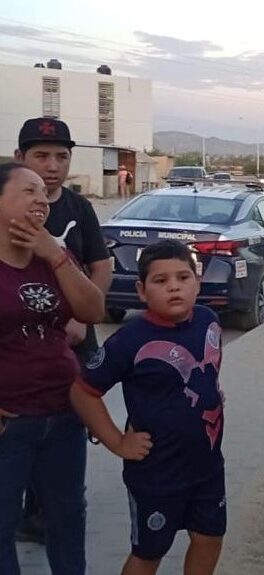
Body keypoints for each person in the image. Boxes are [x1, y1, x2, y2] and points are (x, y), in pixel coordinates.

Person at [70, 240, 226, 575]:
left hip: (207, 466)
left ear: (197, 282)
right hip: (157, 473)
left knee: (210, 537)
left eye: (183, 277)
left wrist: (212, 393)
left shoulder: (209, 321)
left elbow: (205, 372)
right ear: (142, 290)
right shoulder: (130, 340)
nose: (174, 286)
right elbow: (83, 392)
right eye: (161, 280)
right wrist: (116, 441)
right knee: (149, 552)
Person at [0, 162, 105, 575]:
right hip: (11, 424)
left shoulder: (53, 256)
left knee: (67, 519)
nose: (41, 199)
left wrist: (55, 255)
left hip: (63, 415)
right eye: (29, 191)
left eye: (44, 193)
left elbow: (92, 310)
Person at [14, 117, 112, 544]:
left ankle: (59, 515)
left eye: (61, 156)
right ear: (20, 159)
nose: (52, 166)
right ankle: (27, 513)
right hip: (20, 352)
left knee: (67, 434)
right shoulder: (8, 209)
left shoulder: (78, 209)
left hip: (75, 348)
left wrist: (79, 316)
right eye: (41, 156)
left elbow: (101, 266)